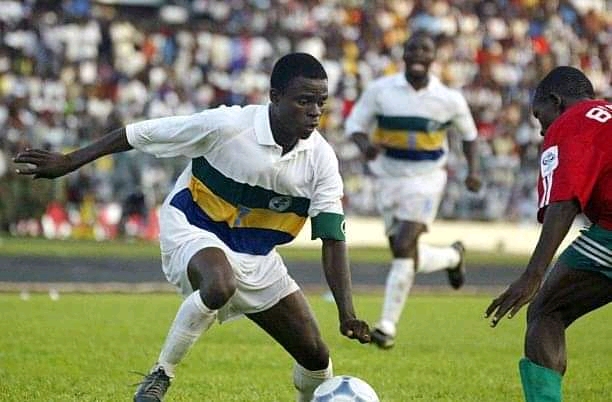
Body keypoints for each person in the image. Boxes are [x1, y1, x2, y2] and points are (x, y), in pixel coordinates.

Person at [14, 52, 371, 402]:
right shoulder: (228, 126)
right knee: (220, 282)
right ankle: (161, 374)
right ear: (274, 97)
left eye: (321, 102)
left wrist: (347, 313)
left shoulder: (322, 160)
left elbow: (332, 237)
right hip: (193, 227)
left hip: (258, 257)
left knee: (317, 360)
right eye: (304, 101)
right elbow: (141, 133)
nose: (314, 111)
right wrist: (70, 160)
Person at [344, 30, 482, 349]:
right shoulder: (381, 91)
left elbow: (470, 136)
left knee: (405, 243)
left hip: (426, 178)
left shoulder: (449, 98)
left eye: (425, 49)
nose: (419, 54)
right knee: (402, 251)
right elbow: (355, 125)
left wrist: (473, 171)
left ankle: (387, 326)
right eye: (413, 48)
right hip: (388, 177)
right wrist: (365, 146)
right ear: (403, 54)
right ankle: (452, 256)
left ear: (433, 57)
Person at [485, 66, 612, 402]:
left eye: (539, 115)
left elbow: (564, 202)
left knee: (546, 311)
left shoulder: (570, 122)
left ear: (556, 102)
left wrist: (533, 275)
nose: (542, 130)